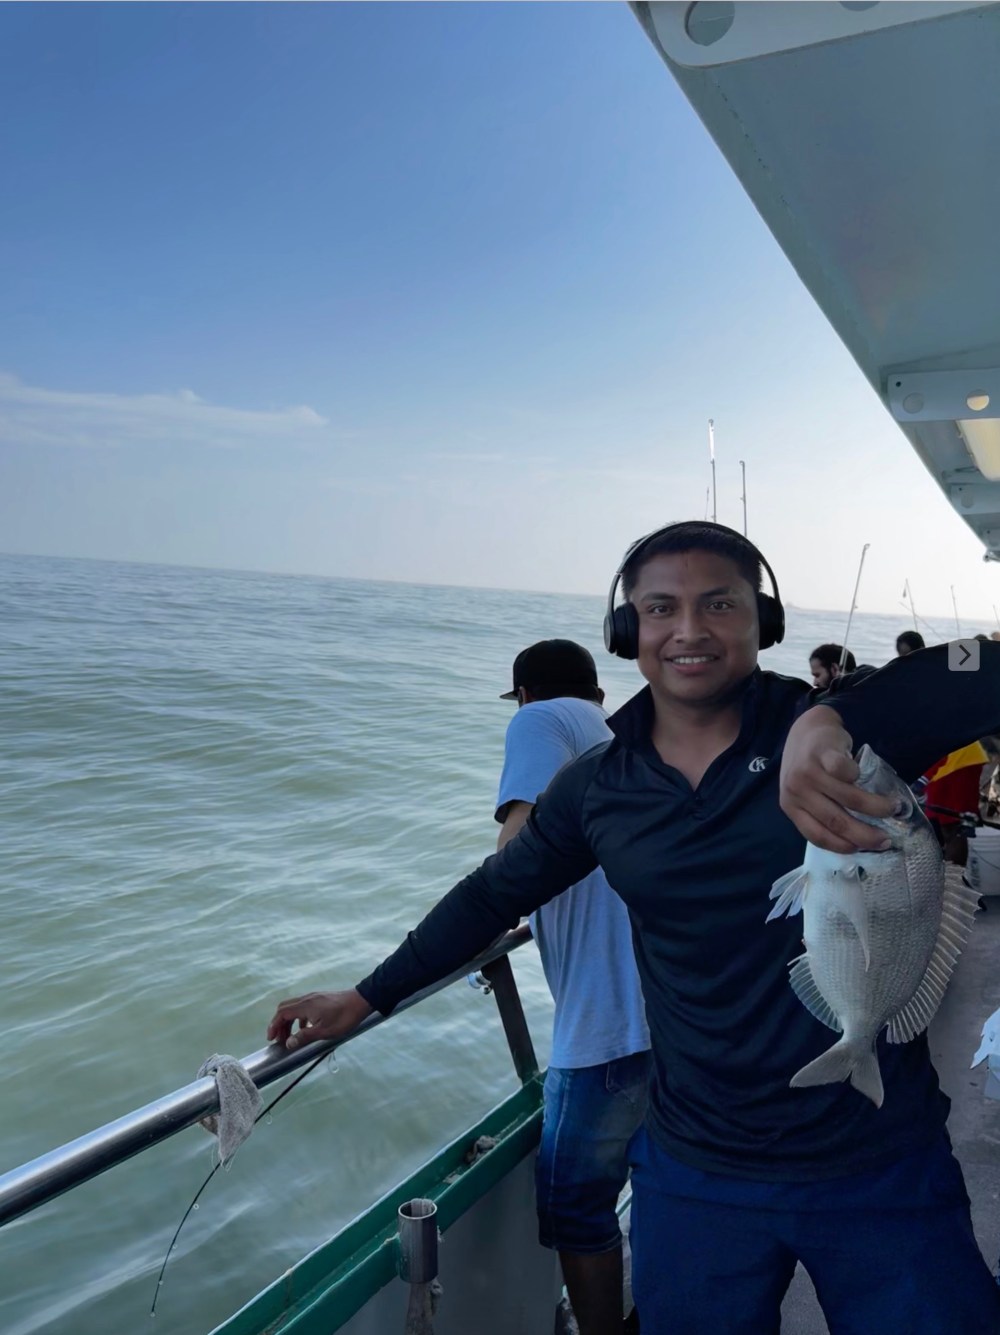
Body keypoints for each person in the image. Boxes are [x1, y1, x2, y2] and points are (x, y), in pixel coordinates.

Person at [268, 521, 1000, 1334]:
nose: (689, 629)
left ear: (764, 621)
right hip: (696, 1172)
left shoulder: (844, 740)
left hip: (880, 1162)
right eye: (660, 608)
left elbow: (983, 672)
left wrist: (835, 715)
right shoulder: (599, 785)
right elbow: (489, 896)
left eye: (718, 603)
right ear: (629, 633)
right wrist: (366, 996)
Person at [496, 639, 649, 1335]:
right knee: (656, 1181)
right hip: (665, 1019)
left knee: (575, 1207)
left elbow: (515, 857)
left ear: (526, 693)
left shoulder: (538, 721)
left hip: (604, 1030)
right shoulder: (618, 737)